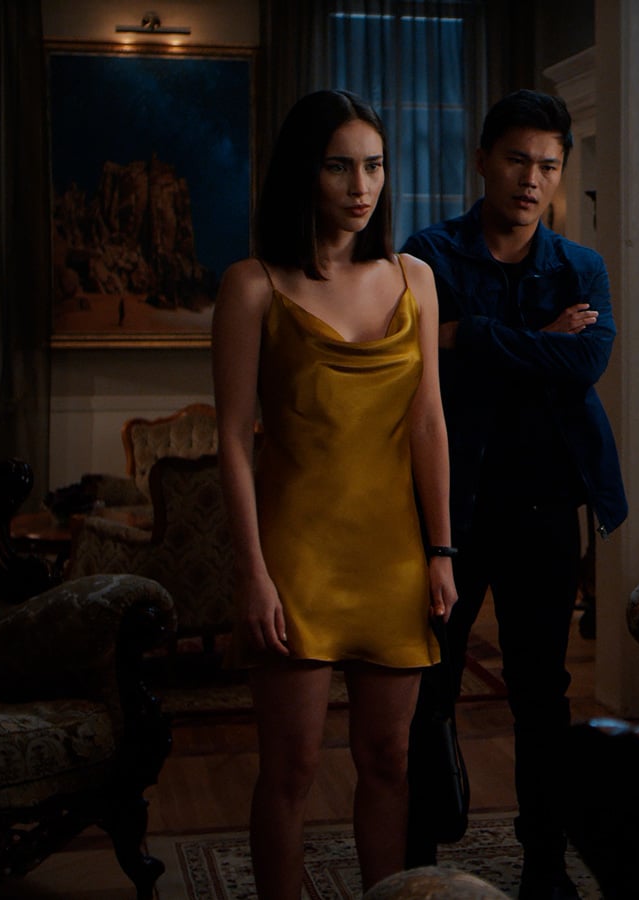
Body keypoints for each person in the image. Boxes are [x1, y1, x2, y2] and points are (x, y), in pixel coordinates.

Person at [211, 89, 457, 900]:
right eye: (339, 167)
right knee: (290, 770)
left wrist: (441, 550)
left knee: (389, 760)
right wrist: (251, 572)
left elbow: (429, 423)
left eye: (374, 166)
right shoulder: (253, 286)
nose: (362, 187)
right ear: (302, 174)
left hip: (393, 557)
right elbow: (233, 440)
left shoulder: (415, 278)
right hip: (297, 560)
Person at [400, 88, 627, 900]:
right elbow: (412, 364)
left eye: (549, 166)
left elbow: (583, 364)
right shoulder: (428, 255)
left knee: (541, 694)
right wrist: (534, 345)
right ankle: (418, 856)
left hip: (544, 507)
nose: (532, 179)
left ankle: (544, 863)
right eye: (518, 160)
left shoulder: (579, 267)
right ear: (483, 161)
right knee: (429, 684)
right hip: (447, 509)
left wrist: (469, 335)